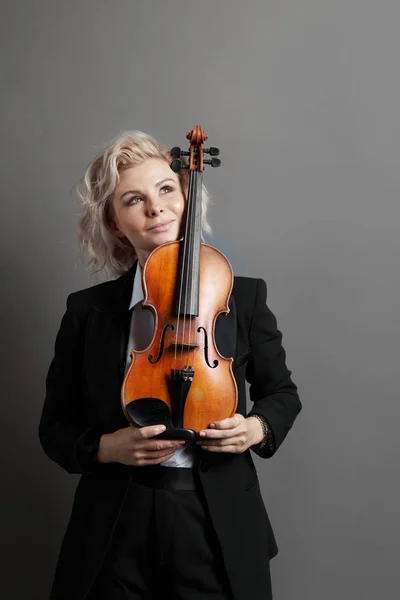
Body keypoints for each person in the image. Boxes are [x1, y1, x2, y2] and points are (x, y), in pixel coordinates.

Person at [39, 130, 301, 600]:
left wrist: (256, 428)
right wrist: (107, 448)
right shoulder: (87, 310)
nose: (155, 208)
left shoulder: (242, 296)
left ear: (186, 196)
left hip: (213, 516)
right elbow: (54, 426)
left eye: (166, 189)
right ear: (116, 223)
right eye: (132, 199)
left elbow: (282, 393)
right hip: (118, 517)